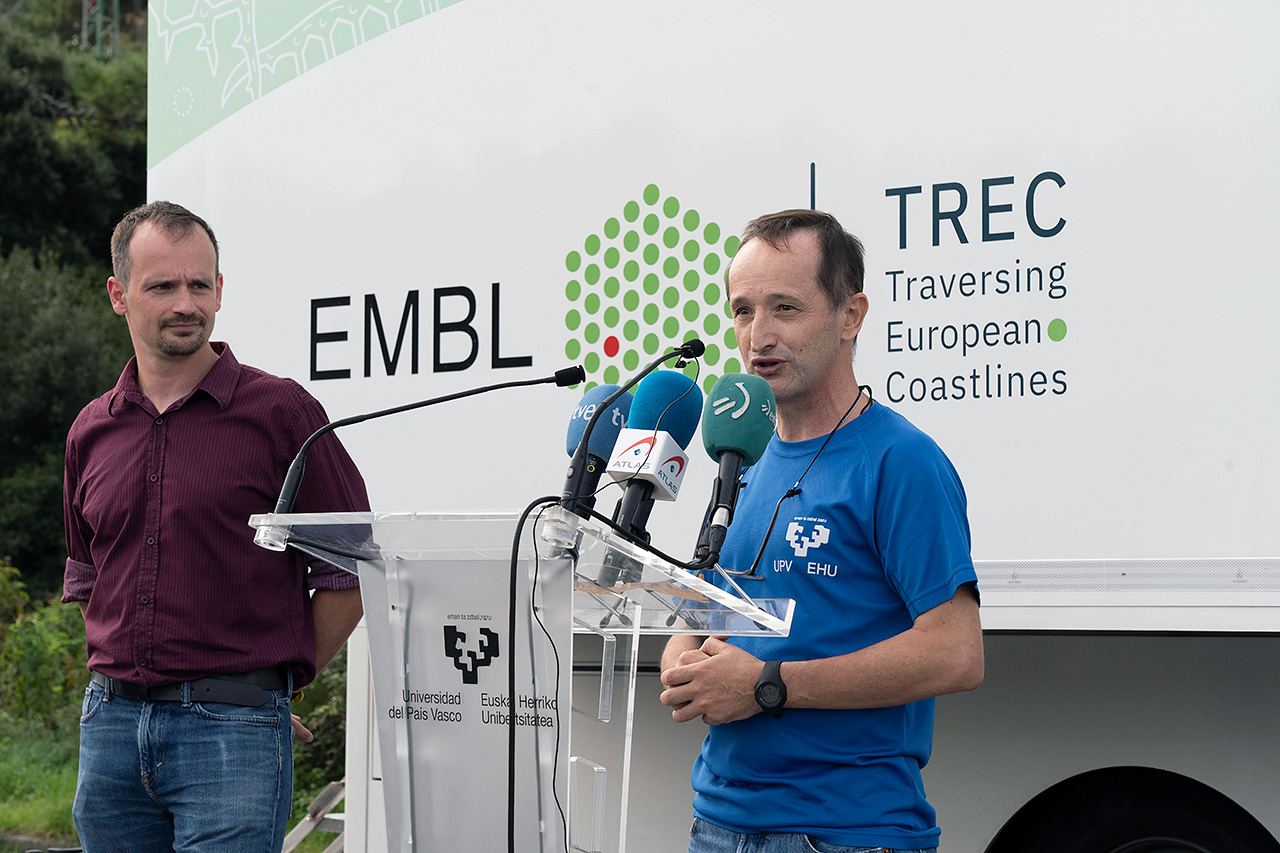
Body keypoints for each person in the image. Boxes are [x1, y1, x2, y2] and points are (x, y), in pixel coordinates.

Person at [659, 209, 983, 853]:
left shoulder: (901, 461)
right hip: (717, 826)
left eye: (785, 308)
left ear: (850, 316)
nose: (759, 336)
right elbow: (700, 618)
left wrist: (766, 685)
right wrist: (683, 662)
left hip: (844, 834)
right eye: (744, 311)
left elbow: (956, 653)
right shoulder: (740, 458)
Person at [61, 201, 370, 852]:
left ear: (220, 290)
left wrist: (277, 687)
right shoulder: (90, 431)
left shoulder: (283, 413)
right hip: (110, 730)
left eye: (199, 285)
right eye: (162, 286)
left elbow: (351, 570)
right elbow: (90, 578)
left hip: (232, 733)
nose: (186, 303)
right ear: (118, 295)